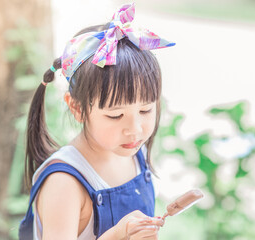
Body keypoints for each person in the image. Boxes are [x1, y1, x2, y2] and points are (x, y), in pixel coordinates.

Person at [22, 3, 175, 240]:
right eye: (115, 115)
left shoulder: (133, 152)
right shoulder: (64, 182)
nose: (134, 130)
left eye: (145, 110)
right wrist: (116, 235)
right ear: (77, 107)